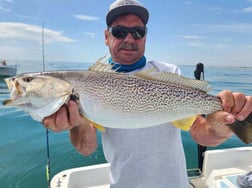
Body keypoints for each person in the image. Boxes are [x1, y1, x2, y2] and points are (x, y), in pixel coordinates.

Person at [43, 0, 252, 187]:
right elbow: (86, 148)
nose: (129, 39)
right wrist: (77, 122)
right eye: (119, 31)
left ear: (145, 37)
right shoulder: (90, 83)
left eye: (137, 32)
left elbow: (199, 131)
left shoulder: (168, 73)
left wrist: (224, 124)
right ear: (107, 36)